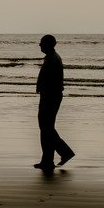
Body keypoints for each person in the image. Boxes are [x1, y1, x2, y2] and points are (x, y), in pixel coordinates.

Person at [34, 34, 75, 170]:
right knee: (46, 128)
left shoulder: (52, 59)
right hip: (50, 96)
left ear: (48, 44)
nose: (39, 45)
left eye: (41, 43)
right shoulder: (52, 58)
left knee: (46, 128)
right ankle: (48, 160)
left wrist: (43, 91)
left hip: (50, 97)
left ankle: (63, 153)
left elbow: (50, 81)